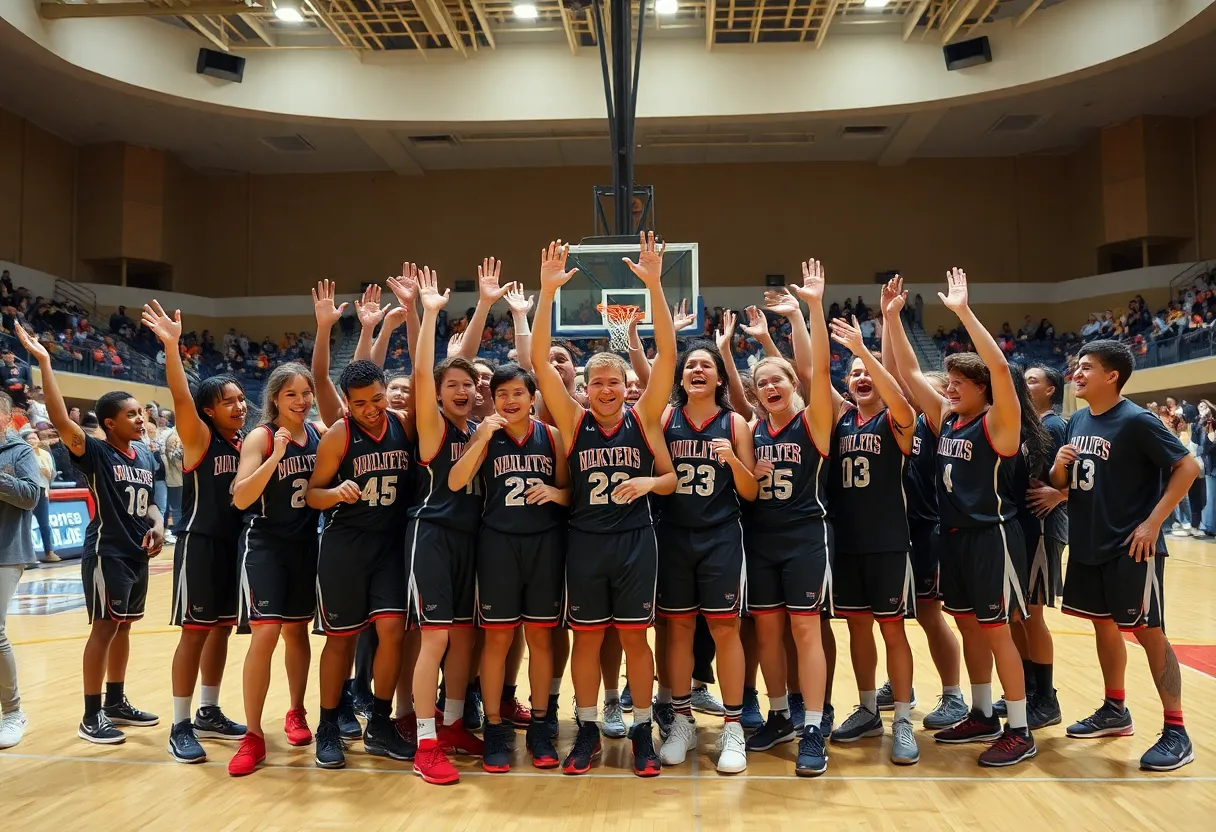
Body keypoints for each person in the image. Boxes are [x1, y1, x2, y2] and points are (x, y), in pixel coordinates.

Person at [532, 235, 678, 777]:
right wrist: (547, 293)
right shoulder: (572, 421)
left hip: (636, 541)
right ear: (587, 388)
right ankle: (588, 727)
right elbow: (539, 364)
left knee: (636, 640)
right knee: (588, 641)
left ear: (627, 386)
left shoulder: (643, 419)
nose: (605, 389)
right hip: (585, 541)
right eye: (597, 382)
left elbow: (668, 354)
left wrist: (655, 287)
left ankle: (642, 729)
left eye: (614, 382)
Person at [882, 270, 1036, 767]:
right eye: (946, 382)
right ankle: (982, 712)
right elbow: (907, 373)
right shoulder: (948, 418)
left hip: (992, 535)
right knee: (969, 625)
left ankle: (1020, 728)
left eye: (957, 383)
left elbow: (999, 366)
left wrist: (963, 313)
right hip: (954, 538)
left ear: (981, 388)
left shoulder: (999, 422)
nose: (948, 388)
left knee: (996, 630)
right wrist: (891, 319)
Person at [1052, 339, 1199, 771]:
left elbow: (1188, 467)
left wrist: (1154, 523)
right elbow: (1080, 480)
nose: (1076, 374)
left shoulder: (1137, 420)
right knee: (1103, 625)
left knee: (1149, 631)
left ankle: (1177, 730)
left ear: (1112, 375)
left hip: (1132, 546)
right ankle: (1115, 710)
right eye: (1077, 367)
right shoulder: (1078, 418)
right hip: (1089, 543)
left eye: (1086, 367)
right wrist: (1060, 468)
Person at [17, 325, 164, 745]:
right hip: (107, 553)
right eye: (132, 415)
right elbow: (62, 420)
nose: (141, 419)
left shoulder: (147, 455)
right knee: (103, 628)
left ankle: (116, 702)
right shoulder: (95, 451)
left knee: (125, 628)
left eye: (143, 413)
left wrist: (156, 525)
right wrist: (45, 362)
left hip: (138, 554)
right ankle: (90, 713)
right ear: (110, 423)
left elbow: (150, 502)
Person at [732, 262, 832, 778]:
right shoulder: (752, 428)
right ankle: (779, 714)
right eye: (762, 383)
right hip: (759, 538)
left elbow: (817, 372)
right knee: (767, 634)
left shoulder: (813, 420)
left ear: (791, 384)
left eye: (778, 379)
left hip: (804, 537)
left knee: (805, 630)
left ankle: (812, 725)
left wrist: (806, 312)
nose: (770, 386)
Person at [142, 301, 249, 764]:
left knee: (222, 632)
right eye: (229, 401)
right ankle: (180, 723)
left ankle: (209, 710)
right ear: (210, 409)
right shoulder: (199, 437)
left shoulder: (245, 442)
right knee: (194, 633)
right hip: (200, 543)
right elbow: (180, 396)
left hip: (235, 546)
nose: (240, 406)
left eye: (242, 399)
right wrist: (171, 345)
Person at [448, 363, 568, 772]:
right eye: (502, 394)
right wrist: (480, 436)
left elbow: (572, 493)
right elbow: (454, 480)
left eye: (518, 393)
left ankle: (538, 725)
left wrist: (556, 492)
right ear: (493, 399)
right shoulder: (487, 437)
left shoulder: (551, 437)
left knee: (540, 639)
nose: (510, 400)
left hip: (544, 546)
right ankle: (495, 726)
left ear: (532, 397)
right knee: (497, 640)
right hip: (497, 545)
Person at [819, 309, 920, 766]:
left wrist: (863, 349)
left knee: (892, 630)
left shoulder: (896, 421)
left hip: (888, 542)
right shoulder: (839, 422)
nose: (862, 378)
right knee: (858, 627)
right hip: (847, 544)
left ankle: (901, 717)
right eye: (855, 373)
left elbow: (901, 399)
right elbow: (808, 374)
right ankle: (866, 708)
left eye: (868, 373)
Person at [655, 338, 756, 774]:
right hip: (673, 535)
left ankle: (733, 726)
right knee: (677, 629)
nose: (697, 370)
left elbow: (751, 491)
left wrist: (734, 460)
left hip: (720, 535)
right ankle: (681, 721)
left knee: (724, 628)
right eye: (690, 365)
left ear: (719, 377)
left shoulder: (735, 423)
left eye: (706, 366)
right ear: (680, 377)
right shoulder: (665, 418)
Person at [307, 359, 414, 769]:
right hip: (345, 547)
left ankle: (380, 723)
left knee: (392, 630)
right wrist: (336, 492)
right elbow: (313, 493)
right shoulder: (339, 435)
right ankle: (328, 724)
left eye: (377, 398)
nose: (371, 409)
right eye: (360, 403)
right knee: (342, 639)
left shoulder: (402, 424)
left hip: (389, 545)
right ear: (346, 403)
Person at [408, 266, 488, 785]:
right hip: (434, 537)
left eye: (468, 384)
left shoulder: (481, 426)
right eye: (452, 385)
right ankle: (425, 741)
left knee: (464, 638)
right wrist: (431, 314)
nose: (462, 389)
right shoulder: (434, 429)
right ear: (438, 395)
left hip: (473, 541)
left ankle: (455, 724)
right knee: (435, 640)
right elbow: (422, 376)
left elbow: (463, 362)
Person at [876, 282, 968, 731]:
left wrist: (892, 324)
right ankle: (900, 684)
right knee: (890, 616)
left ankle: (953, 695)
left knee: (931, 614)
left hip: (926, 528)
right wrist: (887, 322)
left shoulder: (937, 422)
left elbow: (903, 377)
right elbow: (891, 378)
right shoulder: (896, 422)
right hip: (893, 530)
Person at [226, 363, 325, 776]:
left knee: (297, 631)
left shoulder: (319, 434)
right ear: (274, 399)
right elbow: (240, 497)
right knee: (266, 633)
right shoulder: (261, 437)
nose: (301, 401)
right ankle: (252, 734)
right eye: (292, 394)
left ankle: (297, 712)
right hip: (264, 544)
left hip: (305, 544)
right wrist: (278, 457)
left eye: (306, 393)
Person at [1012, 364, 1070, 727]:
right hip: (1023, 528)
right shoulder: (1026, 425)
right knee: (1017, 614)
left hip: (1043, 528)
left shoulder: (1054, 426)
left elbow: (1078, 479)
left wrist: (1061, 494)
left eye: (1033, 380)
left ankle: (1047, 699)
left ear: (1051, 390)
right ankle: (1030, 689)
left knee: (1032, 614)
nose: (1026, 384)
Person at [0, 391, 40, 749]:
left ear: (6, 416)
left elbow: (31, 495)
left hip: (6, 551)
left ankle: (12, 712)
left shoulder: (20, 451)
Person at [22, 427, 59, 563]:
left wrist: (49, 474)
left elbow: (53, 472)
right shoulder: (23, 454)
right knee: (25, 525)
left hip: (42, 491)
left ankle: (49, 552)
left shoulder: (45, 454)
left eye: (35, 438)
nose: (33, 440)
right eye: (29, 438)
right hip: (27, 491)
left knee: (45, 524)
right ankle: (27, 557)